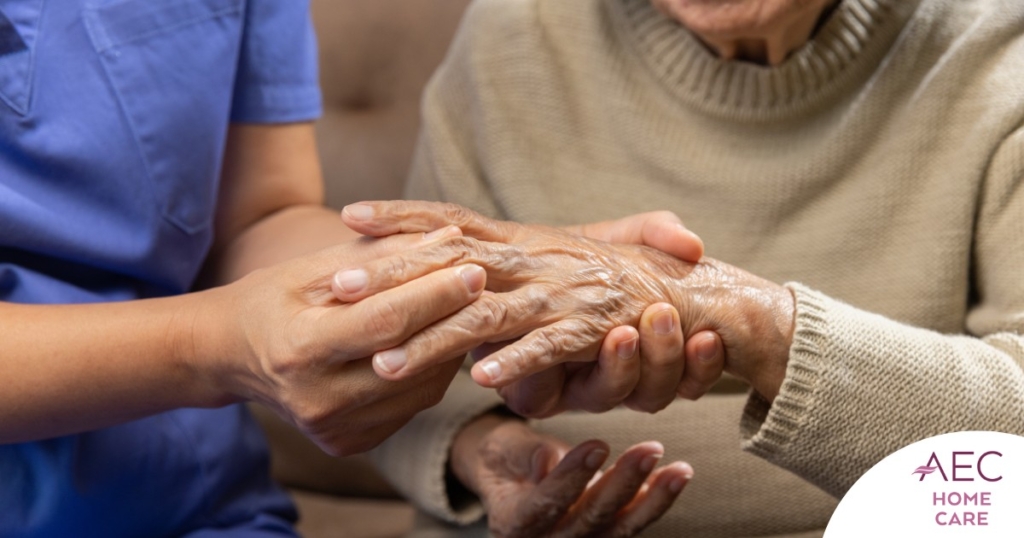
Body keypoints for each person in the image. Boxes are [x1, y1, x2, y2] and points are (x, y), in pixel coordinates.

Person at [0, 1, 709, 536]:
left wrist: (493, 262)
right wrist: (212, 345)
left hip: (201, 506)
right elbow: (225, 331)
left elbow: (258, 219)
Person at [331, 0, 1024, 535]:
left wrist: (751, 321)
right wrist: (482, 450)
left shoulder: (996, 47)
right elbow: (391, 370)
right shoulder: (513, 33)